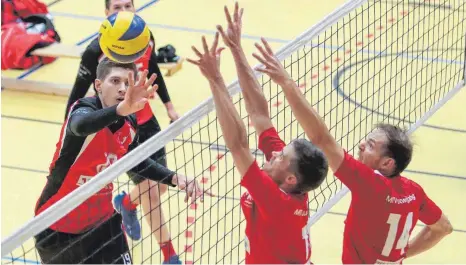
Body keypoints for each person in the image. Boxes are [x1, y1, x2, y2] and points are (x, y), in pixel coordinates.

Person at [251, 34, 454, 263]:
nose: (360, 146)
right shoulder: (414, 192)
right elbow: (443, 227)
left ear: (387, 163)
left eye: (370, 146)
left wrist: (287, 83)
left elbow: (321, 138)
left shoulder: (370, 184)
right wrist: (399, 256)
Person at [187, 4, 328, 264]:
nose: (274, 153)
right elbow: (260, 116)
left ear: (289, 180)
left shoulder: (277, 201)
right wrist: (236, 48)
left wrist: (215, 79)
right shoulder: (286, 177)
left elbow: (238, 144)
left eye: (280, 156)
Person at [34, 58, 210, 264]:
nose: (122, 88)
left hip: (103, 223)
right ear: (98, 85)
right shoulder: (83, 110)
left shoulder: (129, 121)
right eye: (115, 81)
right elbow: (80, 126)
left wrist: (173, 178)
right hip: (58, 227)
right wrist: (120, 110)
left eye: (127, 83)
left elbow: (136, 161)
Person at [65, 0, 183, 263]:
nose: (123, 12)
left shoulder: (144, 38)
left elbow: (153, 71)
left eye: (127, 5)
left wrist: (169, 106)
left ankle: (127, 204)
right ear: (106, 14)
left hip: (148, 123)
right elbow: (75, 97)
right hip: (117, 129)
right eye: (116, 8)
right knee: (150, 190)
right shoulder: (95, 50)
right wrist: (70, 140)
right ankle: (170, 257)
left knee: (159, 187)